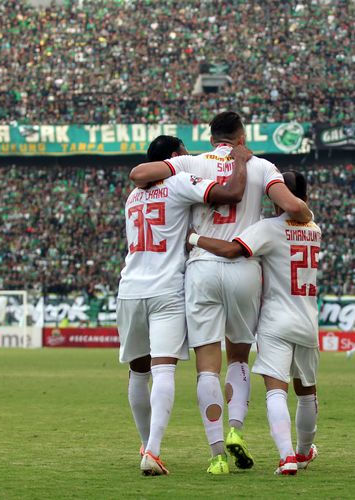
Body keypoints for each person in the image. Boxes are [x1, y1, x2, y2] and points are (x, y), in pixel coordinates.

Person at [129, 112, 313, 474]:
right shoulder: (261, 165)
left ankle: (216, 457)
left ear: (211, 137)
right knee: (239, 358)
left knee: (206, 366)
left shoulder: (189, 162)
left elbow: (140, 175)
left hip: (201, 267)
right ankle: (236, 430)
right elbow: (293, 208)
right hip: (244, 267)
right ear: (241, 136)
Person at [117, 135, 251, 476]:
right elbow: (230, 194)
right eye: (185, 154)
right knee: (164, 369)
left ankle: (144, 444)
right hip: (166, 288)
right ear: (174, 158)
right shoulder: (180, 181)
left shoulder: (133, 197)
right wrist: (238, 161)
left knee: (138, 371)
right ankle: (154, 450)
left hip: (130, 288)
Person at [187, 170, 321, 476]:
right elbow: (302, 215)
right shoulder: (315, 229)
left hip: (276, 320)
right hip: (308, 319)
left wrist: (193, 238)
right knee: (307, 392)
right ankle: (303, 452)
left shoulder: (269, 228)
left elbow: (233, 249)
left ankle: (286, 457)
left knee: (276, 391)